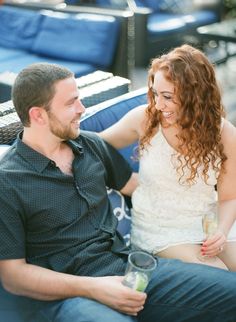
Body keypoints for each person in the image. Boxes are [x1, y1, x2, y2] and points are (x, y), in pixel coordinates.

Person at [0, 63, 236, 322]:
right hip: (70, 296)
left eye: (79, 99)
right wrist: (94, 288)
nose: (82, 109)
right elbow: (13, 277)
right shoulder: (8, 181)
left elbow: (138, 185)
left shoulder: (90, 145)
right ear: (38, 115)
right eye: (71, 103)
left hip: (130, 269)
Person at [100, 44, 236, 271]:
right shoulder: (144, 119)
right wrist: (123, 179)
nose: (158, 105)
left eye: (167, 97)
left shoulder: (225, 134)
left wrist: (221, 232)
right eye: (155, 93)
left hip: (208, 223)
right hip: (159, 228)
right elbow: (97, 144)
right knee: (220, 276)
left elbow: (229, 198)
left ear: (195, 98)